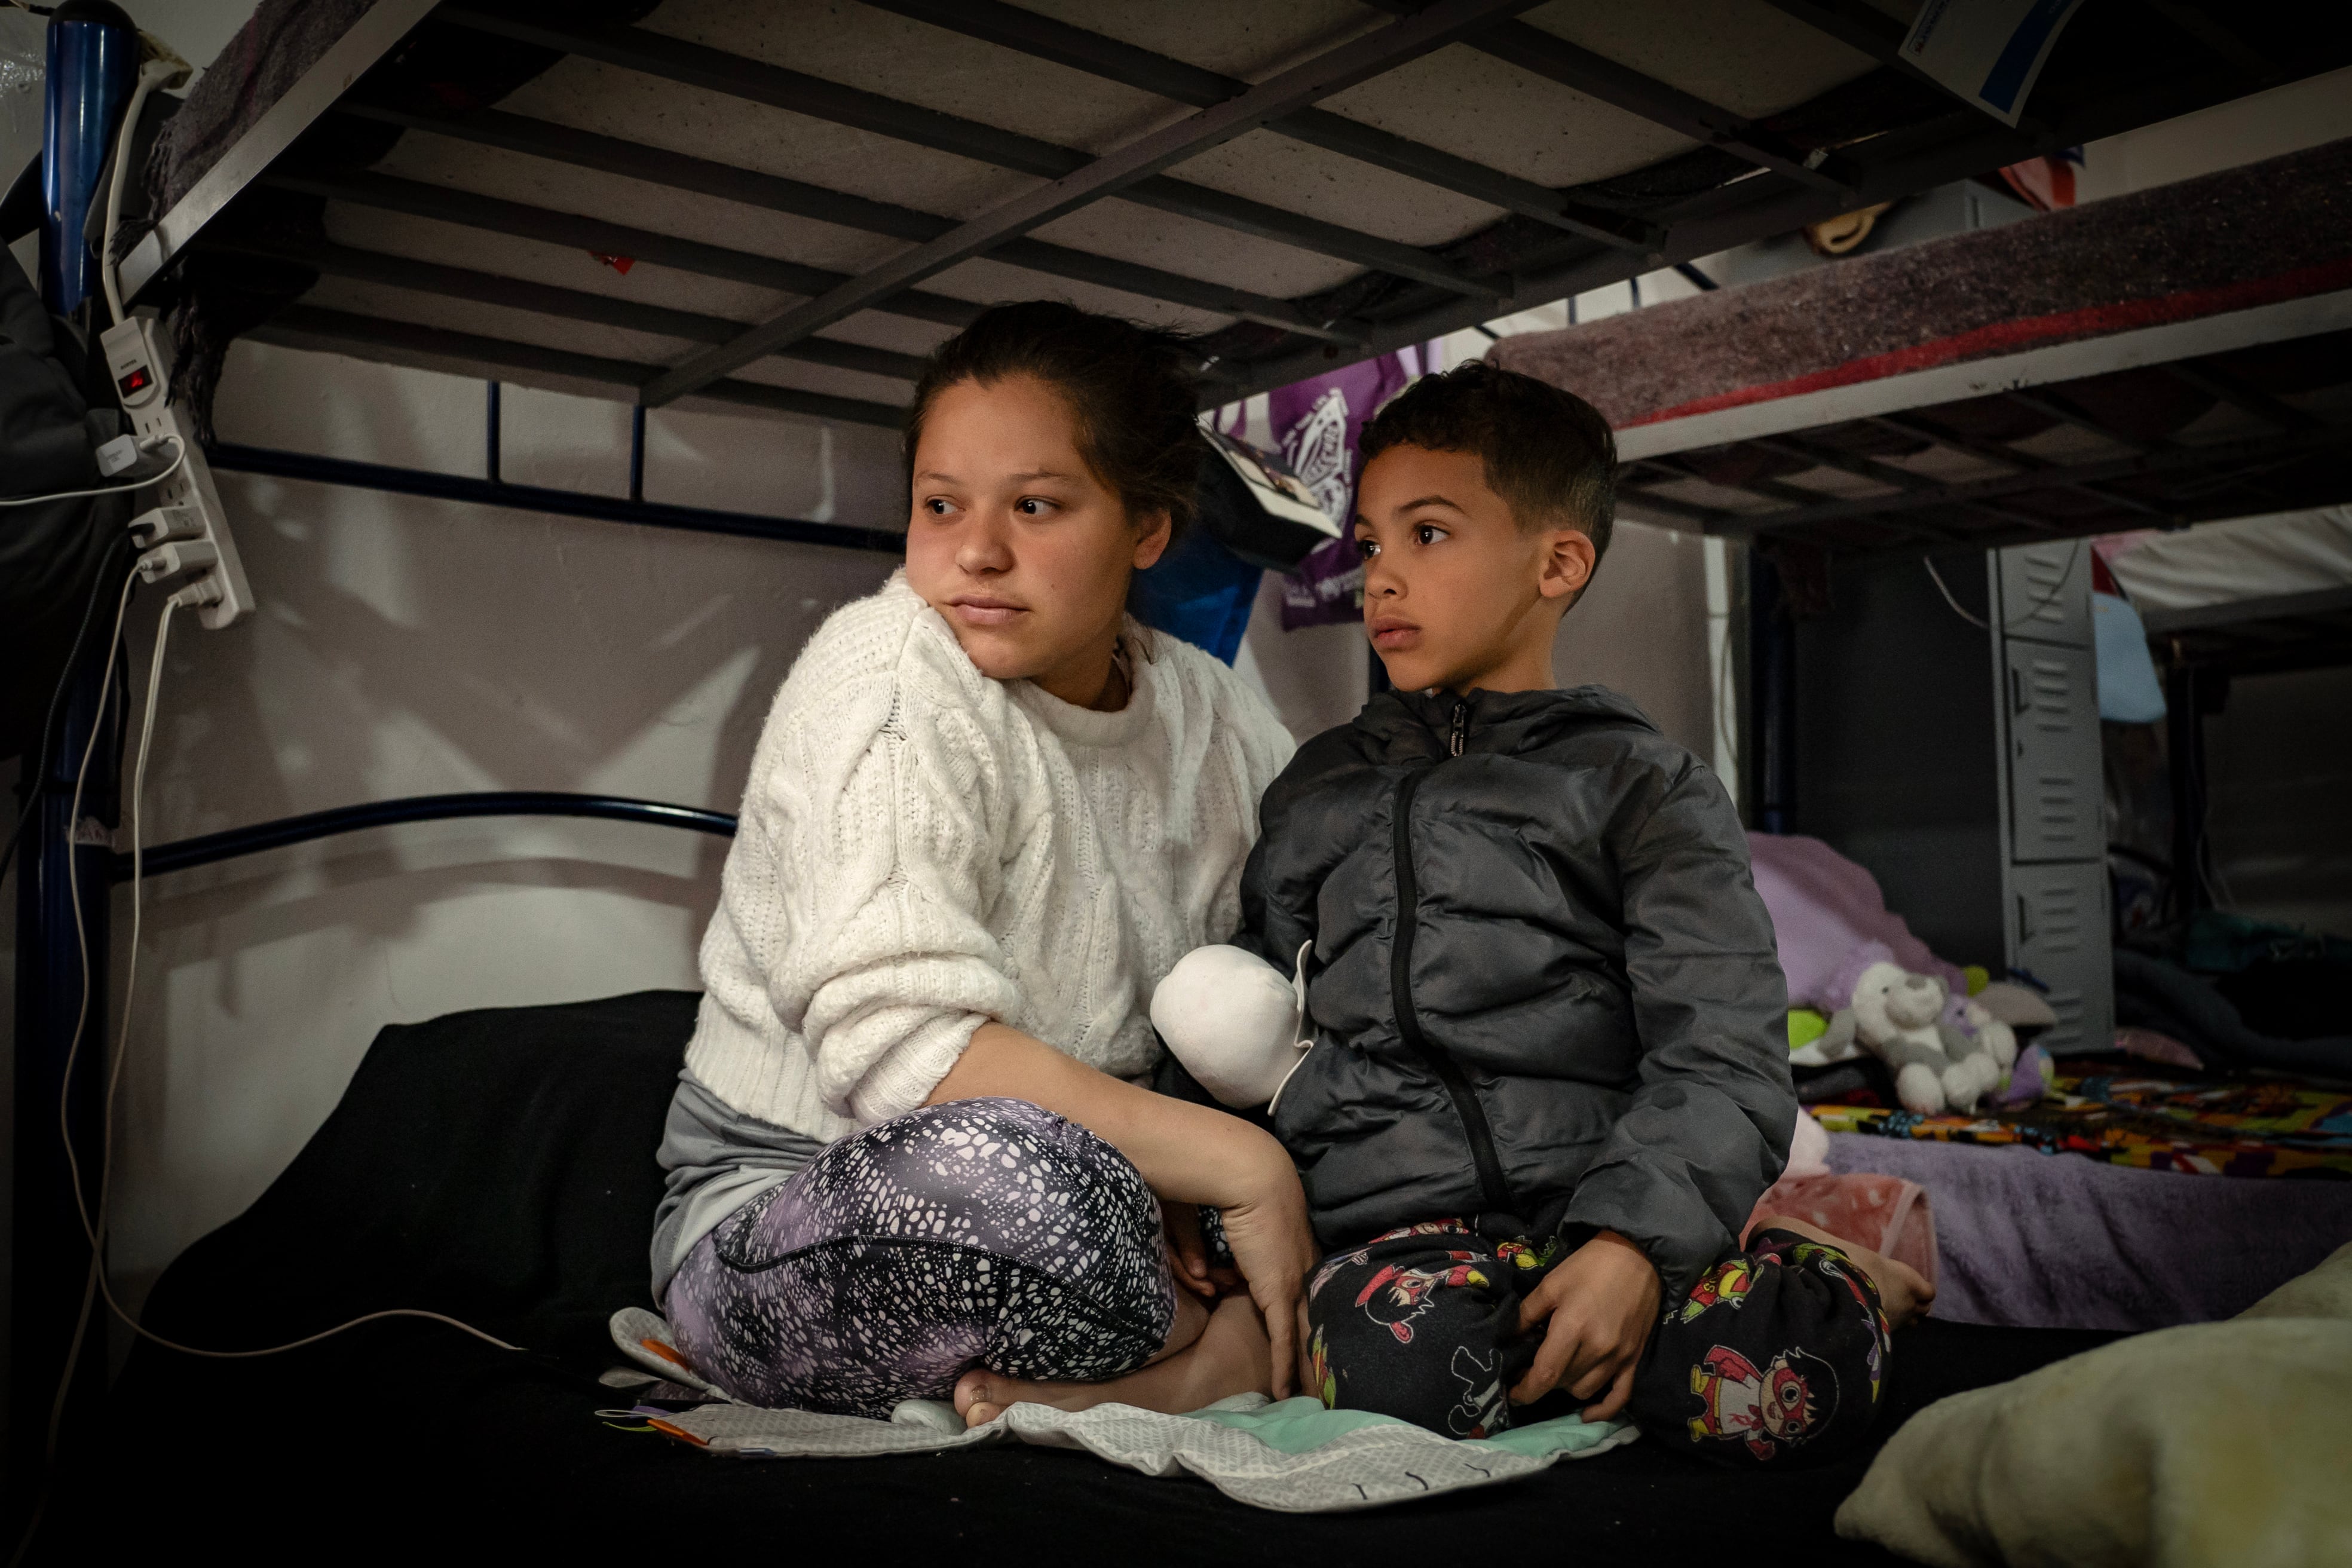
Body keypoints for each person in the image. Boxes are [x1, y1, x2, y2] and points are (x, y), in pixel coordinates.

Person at [1224, 361, 1933, 1459]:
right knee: (1397, 1385)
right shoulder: (1319, 785)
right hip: (1399, 1226)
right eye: (1370, 544)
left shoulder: (1643, 785)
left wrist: (1633, 1251)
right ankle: (1584, 1339)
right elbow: (1250, 1015)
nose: (1383, 579)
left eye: (1430, 535)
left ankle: (1842, 1278)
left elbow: (1723, 1046)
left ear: (1558, 562)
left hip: (1602, 1201)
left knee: (1783, 1384)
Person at [651, 301, 1311, 1428]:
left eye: (1038, 506)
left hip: (1119, 1189)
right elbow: (899, 1049)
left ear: (1147, 528)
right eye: (941, 505)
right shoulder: (887, 681)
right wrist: (1234, 1164)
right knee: (1015, 1196)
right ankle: (1225, 1353)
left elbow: (1302, 961)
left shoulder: (1214, 716)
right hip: (803, 1200)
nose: (977, 552)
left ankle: (1174, 1357)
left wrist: (1211, 1159)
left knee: (1421, 1183)